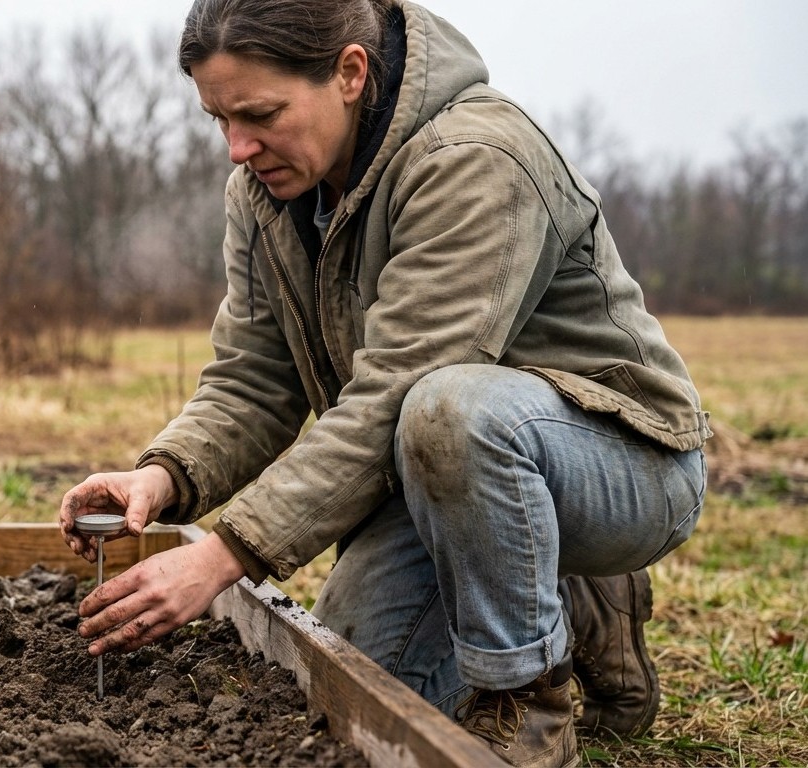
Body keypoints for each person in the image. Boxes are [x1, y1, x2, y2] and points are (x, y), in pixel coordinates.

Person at [57, 1, 710, 766]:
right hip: (440, 473)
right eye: (218, 119)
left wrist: (222, 556)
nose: (238, 147)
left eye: (260, 114)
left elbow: (398, 392)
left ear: (348, 72)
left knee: (451, 410)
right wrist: (160, 479)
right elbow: (252, 379)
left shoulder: (474, 158)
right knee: (352, 681)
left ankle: (526, 704)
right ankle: (562, 592)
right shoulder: (268, 194)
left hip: (621, 464)